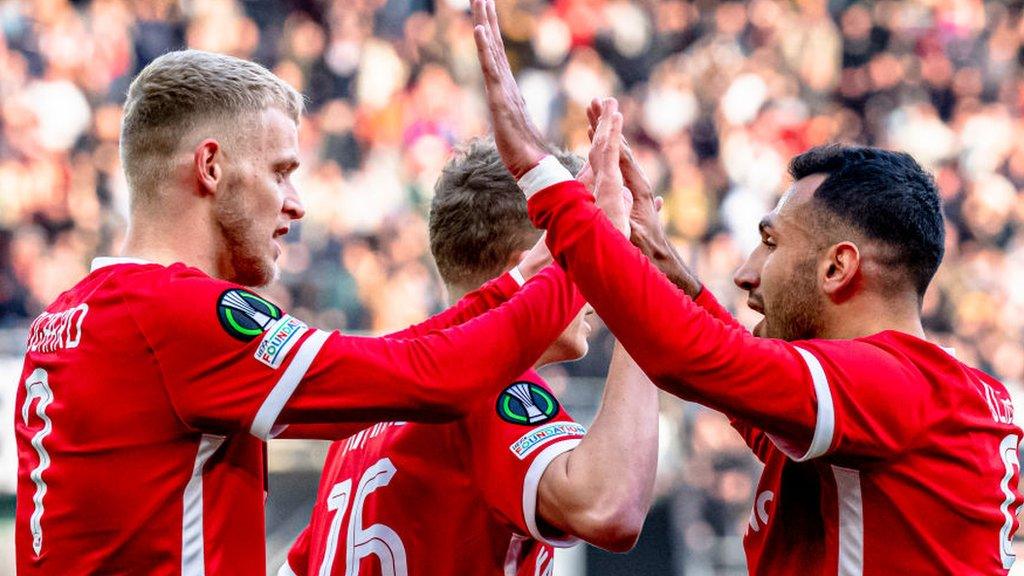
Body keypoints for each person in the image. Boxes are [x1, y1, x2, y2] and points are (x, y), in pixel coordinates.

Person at [469, 0, 1024, 573]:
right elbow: (752, 401)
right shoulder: (916, 398)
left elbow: (697, 359)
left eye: (772, 243)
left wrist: (538, 173)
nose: (745, 272)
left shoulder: (890, 384)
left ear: (838, 268)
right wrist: (670, 272)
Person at [14, 49, 582, 575]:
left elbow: (392, 359)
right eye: (280, 171)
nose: (297, 202)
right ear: (210, 166)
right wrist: (581, 254)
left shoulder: (65, 319)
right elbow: (424, 379)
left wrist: (510, 288)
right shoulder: (174, 312)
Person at [279, 138, 659, 576]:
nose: (601, 285)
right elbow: (608, 507)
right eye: (594, 256)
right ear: (543, 265)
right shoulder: (492, 385)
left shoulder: (366, 417)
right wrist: (642, 289)